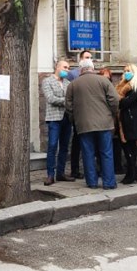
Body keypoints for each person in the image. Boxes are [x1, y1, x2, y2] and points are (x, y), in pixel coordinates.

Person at [65, 59, 119, 189]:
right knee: (106, 153)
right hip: (104, 123)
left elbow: (68, 106)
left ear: (80, 69)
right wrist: (111, 113)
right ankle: (109, 182)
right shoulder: (104, 81)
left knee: (87, 153)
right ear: (92, 68)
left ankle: (92, 182)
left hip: (83, 124)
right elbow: (114, 99)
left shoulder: (73, 84)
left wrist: (75, 119)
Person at [41, 60, 74, 185]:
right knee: (53, 146)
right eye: (65, 67)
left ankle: (61, 173)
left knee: (65, 147)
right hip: (54, 118)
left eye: (69, 68)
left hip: (67, 117)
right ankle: (50, 174)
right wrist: (67, 101)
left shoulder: (68, 83)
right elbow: (51, 98)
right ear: (57, 67)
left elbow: (72, 98)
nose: (67, 70)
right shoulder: (47, 81)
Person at [116, 63, 137, 184]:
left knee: (130, 148)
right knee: (128, 149)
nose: (126, 72)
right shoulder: (123, 85)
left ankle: (132, 174)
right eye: (124, 70)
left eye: (129, 70)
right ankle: (132, 174)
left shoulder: (136, 86)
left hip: (131, 120)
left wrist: (121, 100)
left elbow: (124, 103)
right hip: (124, 120)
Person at [68, 50, 94, 178]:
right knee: (77, 143)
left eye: (90, 57)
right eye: (86, 57)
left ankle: (89, 169)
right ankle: (75, 169)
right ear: (80, 60)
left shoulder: (93, 73)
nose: (89, 59)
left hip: (91, 113)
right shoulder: (73, 74)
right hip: (78, 113)